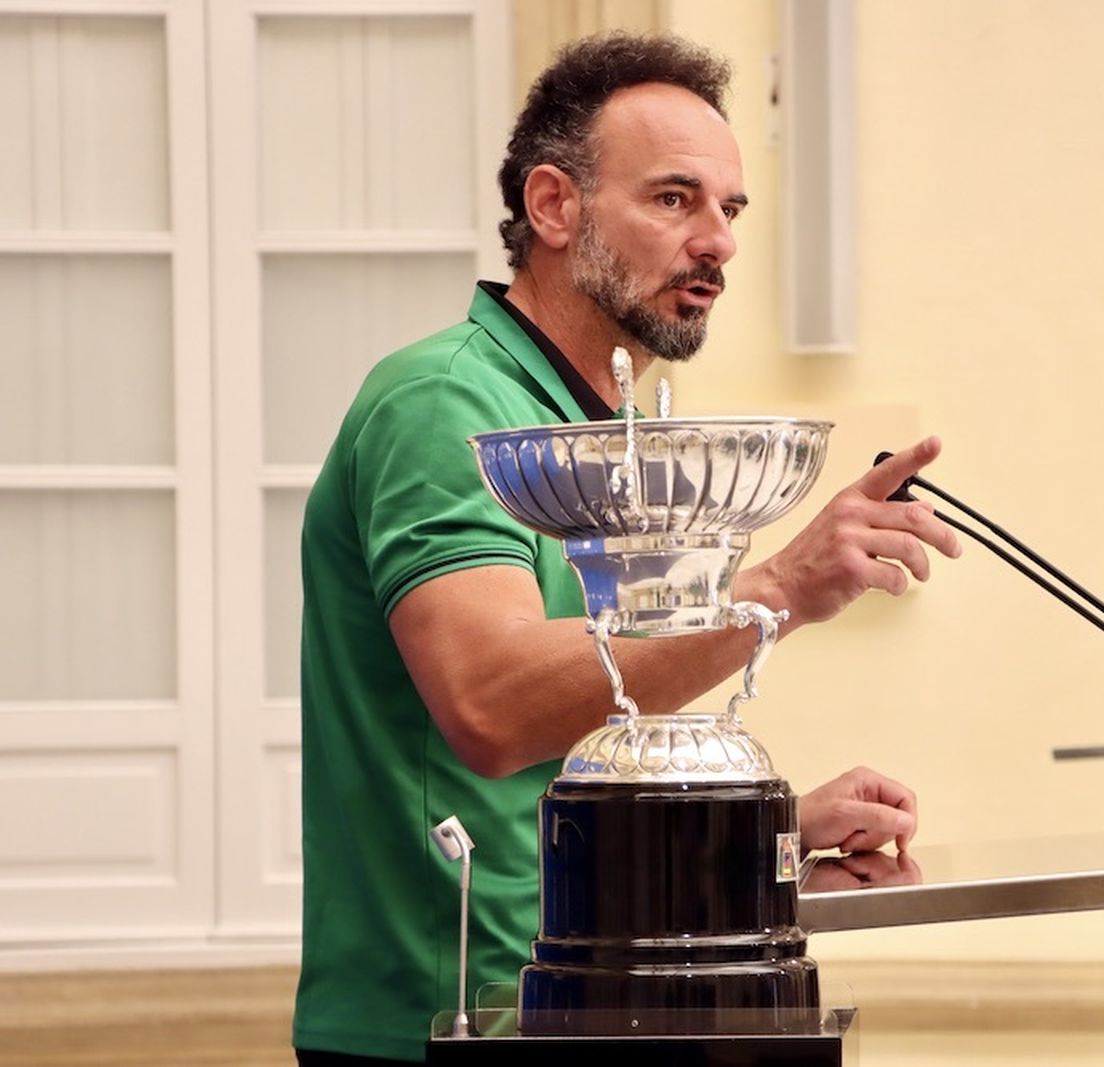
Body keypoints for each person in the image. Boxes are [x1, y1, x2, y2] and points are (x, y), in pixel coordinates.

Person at [291, 32, 960, 1065]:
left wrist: (753, 838)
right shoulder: (446, 404)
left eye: (730, 209)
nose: (719, 242)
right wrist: (776, 587)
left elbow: (587, 726)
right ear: (554, 206)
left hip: (587, 1000)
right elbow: (496, 707)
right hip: (457, 1022)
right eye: (674, 199)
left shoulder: (613, 421)